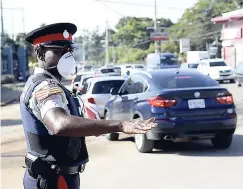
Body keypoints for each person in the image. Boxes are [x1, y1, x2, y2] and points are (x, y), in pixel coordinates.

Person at [20, 22, 157, 189]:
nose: (67, 57)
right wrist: (120, 125)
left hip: (58, 177)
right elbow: (60, 124)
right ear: (40, 53)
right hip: (53, 180)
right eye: (59, 51)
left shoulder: (52, 84)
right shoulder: (45, 87)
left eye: (69, 51)